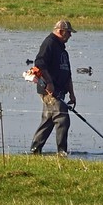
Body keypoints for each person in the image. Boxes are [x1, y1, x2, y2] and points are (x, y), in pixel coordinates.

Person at [30, 19, 76, 155]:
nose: (70, 35)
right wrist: (49, 83)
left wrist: (72, 94)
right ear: (61, 31)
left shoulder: (62, 49)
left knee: (48, 120)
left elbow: (67, 73)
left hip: (60, 90)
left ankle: (35, 149)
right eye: (68, 32)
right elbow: (39, 63)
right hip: (49, 90)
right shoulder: (49, 43)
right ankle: (62, 152)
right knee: (62, 118)